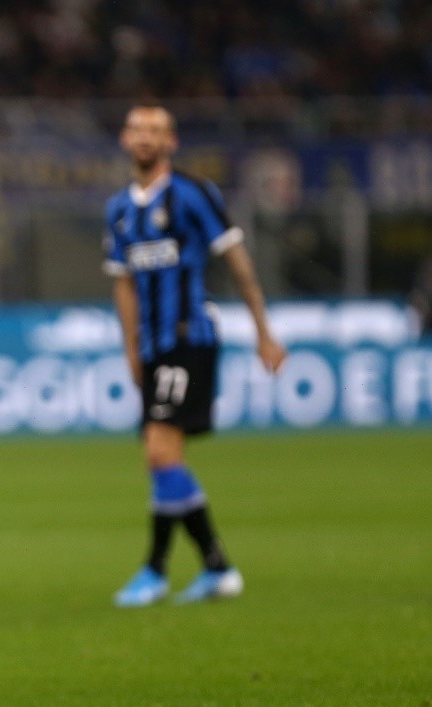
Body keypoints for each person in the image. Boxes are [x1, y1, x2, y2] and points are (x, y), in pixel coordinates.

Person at [103, 103, 287, 607]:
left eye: (156, 130)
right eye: (138, 128)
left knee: (160, 453)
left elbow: (237, 261)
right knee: (162, 457)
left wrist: (264, 332)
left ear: (172, 141)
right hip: (153, 347)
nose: (146, 138)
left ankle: (158, 570)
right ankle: (214, 567)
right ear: (124, 138)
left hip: (190, 337)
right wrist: (131, 349)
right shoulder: (119, 208)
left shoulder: (192, 194)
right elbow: (123, 286)